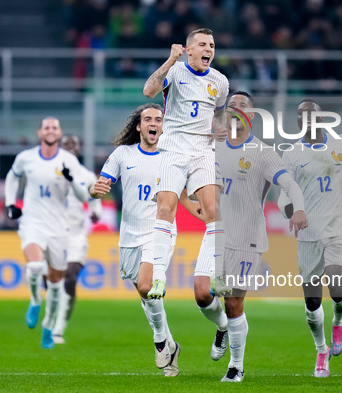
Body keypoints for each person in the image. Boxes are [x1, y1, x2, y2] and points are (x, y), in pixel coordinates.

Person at [142, 28, 235, 363]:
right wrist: (169, 60)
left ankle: (219, 274)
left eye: (213, 44)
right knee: (165, 208)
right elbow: (149, 90)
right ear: (189, 49)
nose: (209, 48)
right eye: (203, 44)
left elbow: (220, 112)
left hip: (202, 149)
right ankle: (159, 277)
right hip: (172, 147)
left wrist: (220, 129)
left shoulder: (220, 81)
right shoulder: (176, 70)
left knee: (214, 211)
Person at [278, 99, 342, 378]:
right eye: (301, 115)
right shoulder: (292, 154)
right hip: (308, 234)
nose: (306, 118)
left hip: (339, 228)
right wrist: (294, 210)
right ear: (297, 122)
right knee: (311, 304)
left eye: (312, 113)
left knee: (336, 287)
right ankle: (321, 351)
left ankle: (339, 318)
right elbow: (283, 195)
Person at [216, 91, 308, 382]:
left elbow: (289, 183)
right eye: (232, 105)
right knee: (204, 295)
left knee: (233, 302)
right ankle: (221, 327)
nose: (237, 109)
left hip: (248, 238)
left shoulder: (263, 152)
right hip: (215, 235)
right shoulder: (212, 145)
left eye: (243, 106)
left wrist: (299, 209)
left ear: (252, 116)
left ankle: (236, 365)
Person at [90, 103, 184, 376]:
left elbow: (186, 192)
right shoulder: (123, 154)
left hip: (160, 230)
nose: (154, 123)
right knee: (145, 294)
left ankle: (158, 340)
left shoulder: (172, 156)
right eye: (148, 119)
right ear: (139, 127)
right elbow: (101, 186)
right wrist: (93, 191)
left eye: (159, 119)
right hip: (129, 235)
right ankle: (170, 345)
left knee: (146, 285)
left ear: (164, 127)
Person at [4, 117, 90, 349]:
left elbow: (84, 196)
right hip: (32, 223)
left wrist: (71, 181)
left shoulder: (68, 161)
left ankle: (49, 326)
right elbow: (13, 176)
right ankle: (34, 299)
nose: (50, 131)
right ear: (40, 132)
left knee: (55, 283)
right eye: (46, 127)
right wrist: (11, 203)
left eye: (54, 127)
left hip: (59, 229)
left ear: (59, 133)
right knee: (33, 266)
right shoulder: (26, 158)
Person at [51, 134, 102, 344]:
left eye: (74, 146)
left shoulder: (87, 175)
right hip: (53, 234)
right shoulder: (50, 173)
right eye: (66, 146)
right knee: (54, 281)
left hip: (76, 234)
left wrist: (95, 211)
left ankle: (59, 328)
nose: (70, 149)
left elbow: (95, 201)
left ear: (78, 150)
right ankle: (54, 316)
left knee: (70, 276)